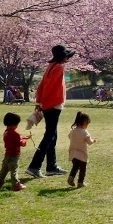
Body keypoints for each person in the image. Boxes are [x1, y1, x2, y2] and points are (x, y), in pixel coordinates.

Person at [26, 45, 74, 178]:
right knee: (49, 136)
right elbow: (49, 87)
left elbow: (42, 86)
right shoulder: (58, 67)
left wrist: (40, 102)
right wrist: (43, 103)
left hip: (48, 105)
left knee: (52, 136)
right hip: (53, 105)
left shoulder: (51, 66)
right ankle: (35, 166)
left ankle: (51, 166)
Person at [0, 112, 31, 191]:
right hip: (14, 156)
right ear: (16, 123)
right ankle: (16, 185)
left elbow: (16, 139)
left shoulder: (6, 132)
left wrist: (24, 137)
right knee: (14, 171)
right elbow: (21, 143)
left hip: (7, 154)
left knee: (4, 170)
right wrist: (25, 140)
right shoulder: (16, 133)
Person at [67, 111, 96, 188]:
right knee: (83, 169)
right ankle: (80, 182)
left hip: (73, 153)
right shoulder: (84, 132)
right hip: (82, 154)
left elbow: (69, 136)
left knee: (75, 167)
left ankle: (71, 177)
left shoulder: (72, 131)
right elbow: (89, 142)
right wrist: (93, 140)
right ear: (84, 122)